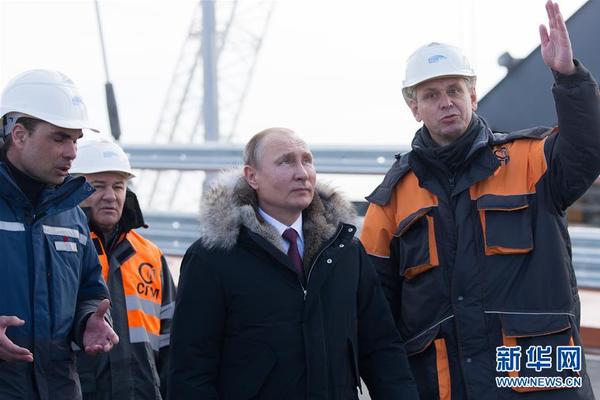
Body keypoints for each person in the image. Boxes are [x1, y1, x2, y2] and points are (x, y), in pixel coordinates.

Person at [360, 1, 600, 399]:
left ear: (473, 93)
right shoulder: (391, 200)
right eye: (431, 94)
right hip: (446, 385)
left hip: (542, 378)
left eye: (455, 89)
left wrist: (569, 78)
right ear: (413, 107)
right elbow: (375, 313)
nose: (446, 101)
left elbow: (589, 149)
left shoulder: (530, 159)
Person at [168, 127, 419, 399]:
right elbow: (190, 373)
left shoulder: (345, 251)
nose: (301, 173)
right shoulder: (213, 257)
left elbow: (382, 348)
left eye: (306, 160)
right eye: (285, 161)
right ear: (252, 176)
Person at [0, 69, 119, 399]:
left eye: (75, 140)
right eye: (59, 138)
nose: (72, 152)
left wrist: (88, 323)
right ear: (20, 135)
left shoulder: (70, 212)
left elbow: (90, 290)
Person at [70, 138, 176, 400]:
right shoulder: (61, 247)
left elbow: (172, 342)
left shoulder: (151, 256)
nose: (110, 196)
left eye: (118, 186)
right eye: (97, 186)